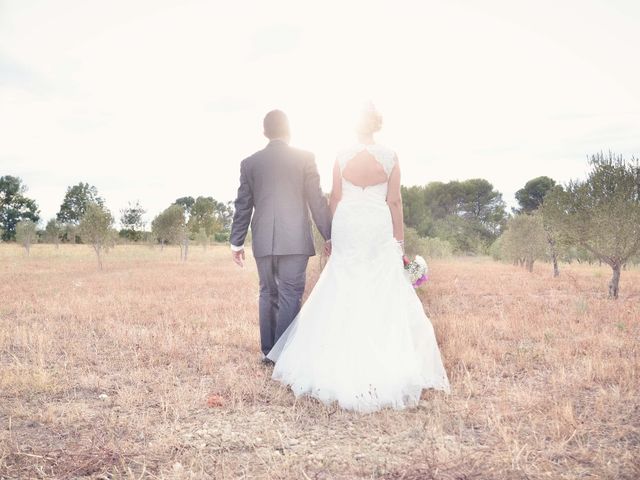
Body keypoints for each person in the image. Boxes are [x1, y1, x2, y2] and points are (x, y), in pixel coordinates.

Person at [266, 104, 450, 412]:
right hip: (377, 222)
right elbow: (394, 201)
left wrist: (332, 236)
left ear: (355, 126)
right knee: (379, 283)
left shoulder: (341, 156)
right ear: (377, 125)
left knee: (343, 280)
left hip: (348, 222)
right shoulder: (390, 157)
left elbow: (335, 197)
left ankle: (333, 359)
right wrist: (399, 242)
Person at [229, 110, 332, 364]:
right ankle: (283, 354)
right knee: (290, 293)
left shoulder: (250, 163)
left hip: (264, 239)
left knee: (267, 292)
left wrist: (237, 241)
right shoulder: (305, 158)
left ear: (265, 133)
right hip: (295, 240)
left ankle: (268, 352)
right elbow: (317, 199)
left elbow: (243, 205)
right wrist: (329, 234)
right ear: (289, 131)